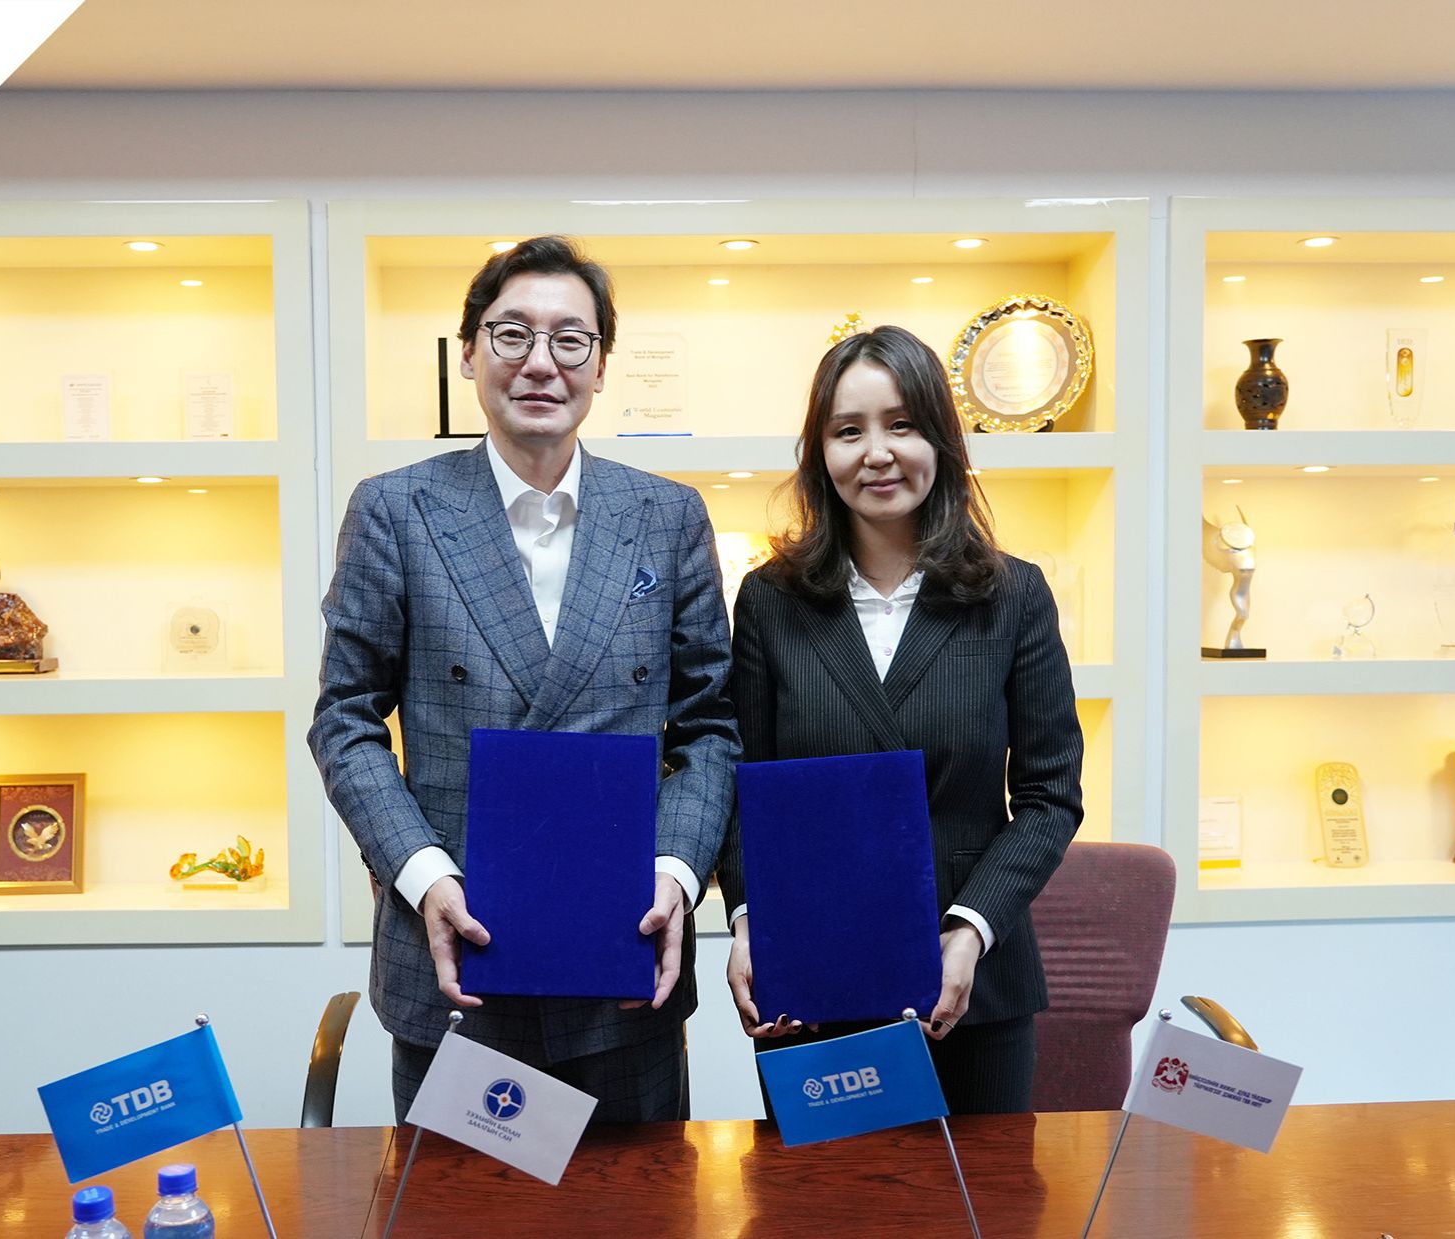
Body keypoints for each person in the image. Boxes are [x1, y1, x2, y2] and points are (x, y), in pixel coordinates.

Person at [309, 236, 739, 1122]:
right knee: (454, 1200)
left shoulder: (667, 515)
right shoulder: (395, 509)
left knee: (641, 1198)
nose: (541, 362)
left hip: (626, 964)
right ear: (468, 352)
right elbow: (345, 720)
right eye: (512, 334)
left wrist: (675, 872)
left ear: (601, 364)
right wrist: (424, 875)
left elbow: (709, 726)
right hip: (456, 960)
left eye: (571, 339)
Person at [717, 324, 1084, 1114]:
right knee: (819, 1191)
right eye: (848, 430)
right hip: (812, 982)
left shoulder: (1014, 595)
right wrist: (749, 922)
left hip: (974, 982)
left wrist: (970, 928)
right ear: (820, 453)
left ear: (941, 441)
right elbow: (745, 792)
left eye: (902, 424)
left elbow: (1051, 796)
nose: (877, 452)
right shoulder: (770, 601)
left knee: (984, 1192)